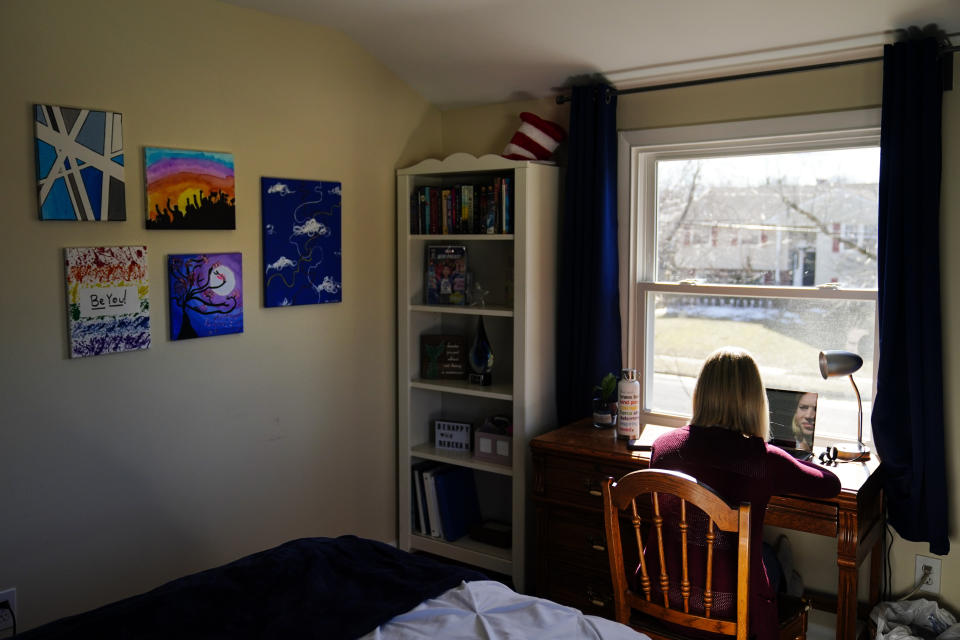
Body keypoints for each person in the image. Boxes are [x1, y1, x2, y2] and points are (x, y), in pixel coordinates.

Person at [647, 347, 840, 640]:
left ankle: (778, 561)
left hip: (662, 598)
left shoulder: (662, 447)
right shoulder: (764, 460)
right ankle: (786, 573)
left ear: (701, 392)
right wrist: (790, 459)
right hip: (732, 614)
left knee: (729, 546)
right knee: (767, 561)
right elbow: (830, 484)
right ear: (753, 400)